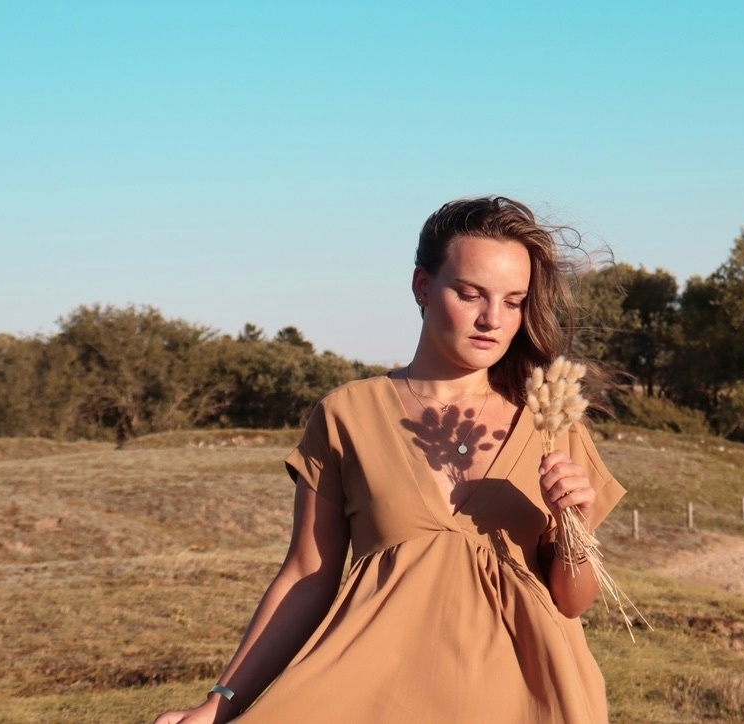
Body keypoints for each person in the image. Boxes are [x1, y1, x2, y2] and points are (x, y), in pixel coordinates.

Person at [154, 196, 626, 724]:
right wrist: (219, 704)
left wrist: (575, 524)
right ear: (422, 286)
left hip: (532, 704)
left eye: (513, 301)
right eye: (470, 294)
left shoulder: (551, 422)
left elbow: (573, 602)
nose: (492, 319)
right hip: (379, 699)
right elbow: (307, 577)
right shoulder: (347, 414)